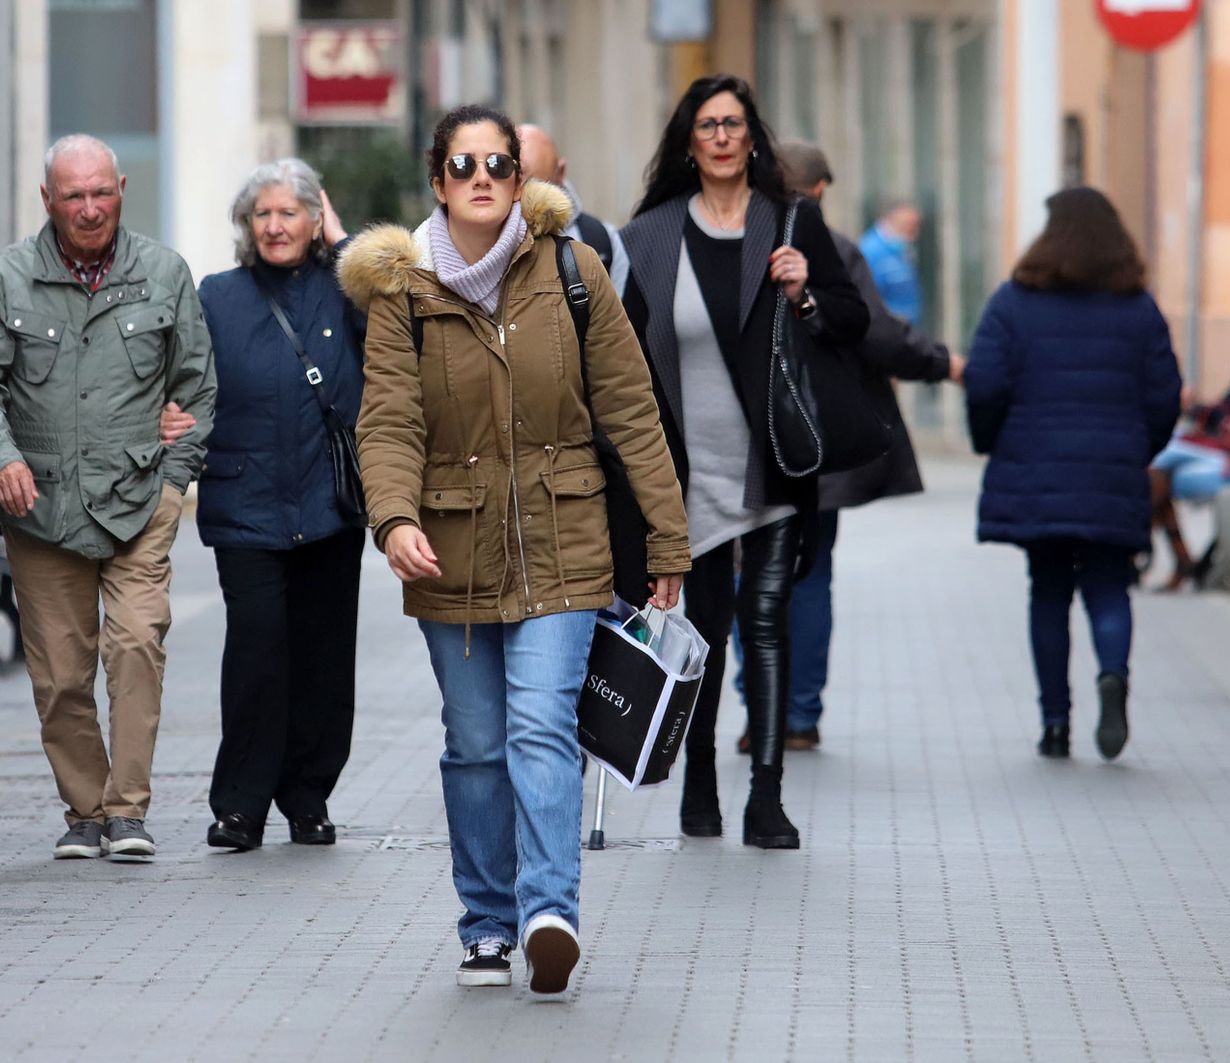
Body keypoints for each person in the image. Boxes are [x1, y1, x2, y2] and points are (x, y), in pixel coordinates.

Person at [337, 104, 689, 994]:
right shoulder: (402, 295)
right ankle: (487, 922)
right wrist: (395, 520)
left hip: (565, 538)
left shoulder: (573, 270)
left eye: (499, 161)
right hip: (448, 549)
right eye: (464, 164)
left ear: (519, 175)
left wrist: (667, 539)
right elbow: (385, 423)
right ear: (437, 179)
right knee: (476, 743)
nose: (483, 177)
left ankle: (549, 912)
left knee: (540, 726)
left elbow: (632, 408)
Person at [619, 75, 869, 848]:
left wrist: (805, 293)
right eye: (707, 126)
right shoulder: (651, 237)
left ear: (752, 137)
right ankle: (698, 783)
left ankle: (766, 796)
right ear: (688, 143)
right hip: (684, 474)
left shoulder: (791, 220)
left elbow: (851, 323)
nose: (722, 137)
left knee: (765, 623)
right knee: (701, 629)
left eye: (733, 124)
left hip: (771, 465)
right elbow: (622, 355)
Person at [0, 134, 217, 860]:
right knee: (61, 674)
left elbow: (196, 388)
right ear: (48, 199)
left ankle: (128, 811)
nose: (90, 208)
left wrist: (172, 484)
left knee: (136, 643)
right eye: (74, 195)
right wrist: (1, 457)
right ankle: (86, 809)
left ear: (122, 188)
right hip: (41, 509)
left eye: (101, 191)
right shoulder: (7, 277)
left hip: (139, 501)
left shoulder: (164, 273)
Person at [156, 159, 362, 853]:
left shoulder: (344, 289)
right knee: (257, 655)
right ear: (247, 226)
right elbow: (182, 379)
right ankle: (241, 804)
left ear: (313, 221)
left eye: (290, 212)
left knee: (325, 659)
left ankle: (308, 796)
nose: (275, 226)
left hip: (332, 504)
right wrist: (170, 419)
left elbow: (403, 307)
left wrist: (344, 239)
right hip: (246, 502)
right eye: (262, 214)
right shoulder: (218, 295)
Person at [732, 140, 965, 752]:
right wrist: (942, 364)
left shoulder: (729, 245)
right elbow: (880, 335)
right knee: (810, 575)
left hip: (744, 448)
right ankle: (800, 715)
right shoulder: (833, 249)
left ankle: (759, 710)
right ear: (818, 192)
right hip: (816, 449)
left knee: (745, 573)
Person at [964, 186, 1181, 761]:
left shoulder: (1014, 301)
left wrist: (993, 442)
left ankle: (1055, 723)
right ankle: (1113, 675)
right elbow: (1166, 394)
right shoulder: (1139, 308)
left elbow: (984, 383)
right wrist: (1139, 448)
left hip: (1037, 473)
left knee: (1050, 591)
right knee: (1110, 585)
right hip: (1112, 473)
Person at [1148, 301, 1230, 589]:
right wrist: (1198, 410)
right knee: (1161, 460)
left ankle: (1173, 556)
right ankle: (1181, 559)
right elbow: (1225, 412)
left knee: (1160, 468)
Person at [517, 123, 631, 296]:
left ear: (561, 173)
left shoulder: (602, 240)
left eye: (539, 189)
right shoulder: (482, 239)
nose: (528, 204)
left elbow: (619, 319)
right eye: (518, 188)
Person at [859, 199, 924, 325]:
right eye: (909, 226)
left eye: (916, 226)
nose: (915, 233)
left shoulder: (903, 249)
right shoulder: (870, 251)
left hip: (908, 329)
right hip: (886, 331)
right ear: (890, 221)